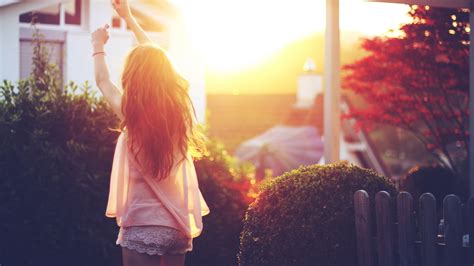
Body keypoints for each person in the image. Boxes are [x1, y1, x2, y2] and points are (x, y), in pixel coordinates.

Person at [91, 1, 210, 265]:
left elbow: (102, 82)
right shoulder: (179, 115)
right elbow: (161, 64)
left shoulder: (132, 116)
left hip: (141, 224)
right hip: (177, 226)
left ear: (132, 78)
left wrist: (97, 44)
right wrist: (131, 19)